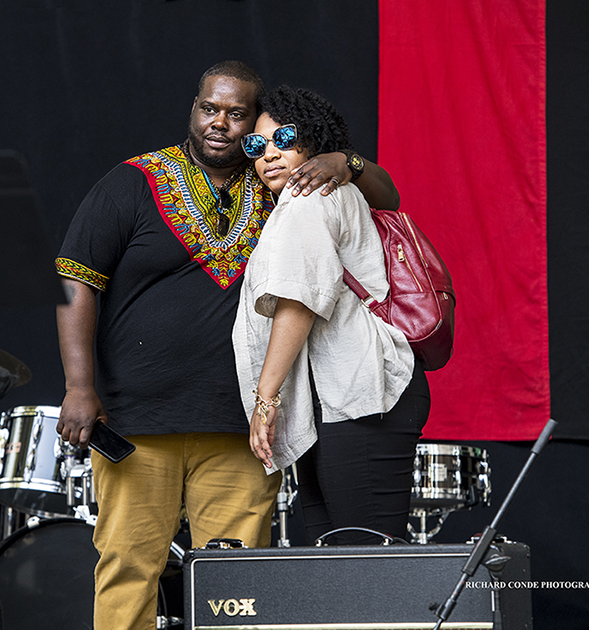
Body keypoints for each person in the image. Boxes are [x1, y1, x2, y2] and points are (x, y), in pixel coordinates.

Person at [55, 61, 400, 629]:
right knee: (128, 566)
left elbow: (384, 198)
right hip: (139, 420)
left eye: (236, 114)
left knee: (236, 587)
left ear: (257, 123)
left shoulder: (284, 183)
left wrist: (345, 161)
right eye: (208, 108)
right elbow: (76, 278)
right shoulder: (132, 181)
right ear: (193, 107)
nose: (219, 122)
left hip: (242, 422)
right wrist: (78, 385)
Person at [232, 85, 431, 546]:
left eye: (285, 138)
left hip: (361, 398)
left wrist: (266, 400)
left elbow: (299, 301)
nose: (269, 155)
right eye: (257, 146)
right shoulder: (308, 198)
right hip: (340, 401)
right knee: (339, 565)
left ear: (314, 140)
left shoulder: (310, 199)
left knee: (364, 562)